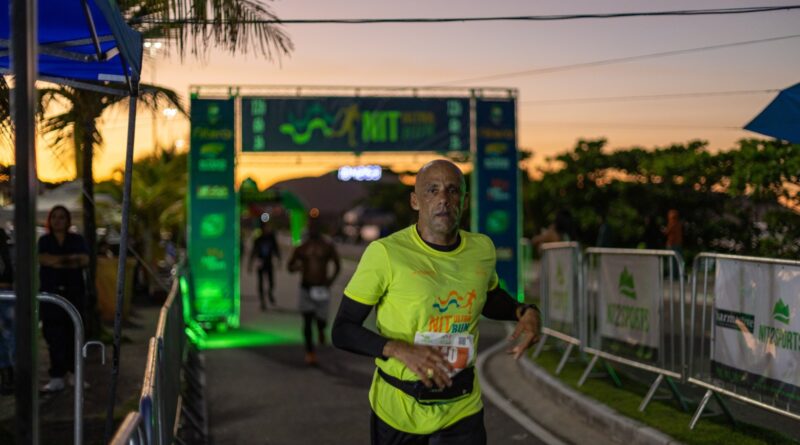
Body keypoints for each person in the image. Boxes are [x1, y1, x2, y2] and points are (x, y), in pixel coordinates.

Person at [332, 160, 541, 444]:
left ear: (464, 201)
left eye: (453, 190)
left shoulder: (481, 249)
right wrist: (398, 349)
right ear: (415, 201)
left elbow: (488, 296)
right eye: (432, 190)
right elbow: (343, 329)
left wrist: (523, 310)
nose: (443, 198)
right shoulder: (385, 253)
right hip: (399, 410)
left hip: (462, 408)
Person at [38, 205, 89, 393]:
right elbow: (44, 259)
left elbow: (83, 260)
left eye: (62, 217)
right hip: (51, 295)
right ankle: (57, 376)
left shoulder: (77, 239)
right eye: (55, 217)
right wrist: (69, 260)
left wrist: (57, 260)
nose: (58, 221)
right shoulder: (44, 240)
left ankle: (75, 373)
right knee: (53, 336)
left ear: (68, 221)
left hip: (74, 293)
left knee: (74, 334)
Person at [287, 218, 340, 365]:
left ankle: (322, 330)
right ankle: (310, 352)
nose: (313, 230)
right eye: (311, 227)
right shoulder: (301, 247)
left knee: (321, 319)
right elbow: (290, 266)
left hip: (322, 288)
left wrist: (330, 281)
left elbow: (337, 265)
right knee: (307, 320)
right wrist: (297, 267)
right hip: (306, 288)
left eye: (315, 227)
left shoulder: (327, 246)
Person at [248, 221, 282, 310]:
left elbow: (276, 249)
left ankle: (270, 293)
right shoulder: (258, 239)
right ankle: (262, 301)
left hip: (269, 263)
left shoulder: (271, 238)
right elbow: (253, 252)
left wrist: (279, 259)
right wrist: (250, 264)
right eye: (265, 227)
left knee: (271, 282)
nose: (267, 229)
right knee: (260, 283)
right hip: (260, 263)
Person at [0, 228, 14, 395]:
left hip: (9, 296)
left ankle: (10, 374)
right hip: (8, 295)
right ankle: (7, 373)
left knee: (9, 337)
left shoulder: (9, 250)